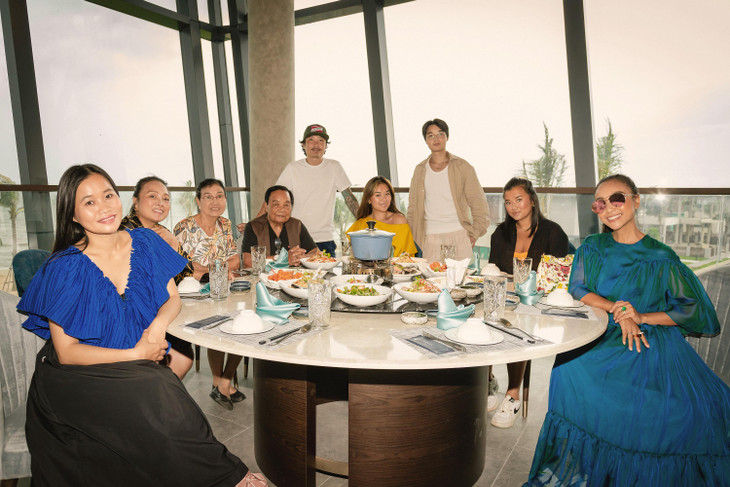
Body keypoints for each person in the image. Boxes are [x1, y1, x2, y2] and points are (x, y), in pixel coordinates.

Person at [17, 164, 265, 486]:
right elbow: (67, 353)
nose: (104, 207)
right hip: (77, 374)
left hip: (130, 358)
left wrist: (157, 327)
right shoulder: (64, 266)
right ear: (73, 215)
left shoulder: (146, 241)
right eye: (89, 202)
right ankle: (228, 477)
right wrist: (137, 354)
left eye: (108, 195)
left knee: (162, 387)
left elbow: (172, 298)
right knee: (158, 386)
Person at [525, 174, 730, 486]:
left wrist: (641, 316)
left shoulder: (661, 256)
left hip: (648, 340)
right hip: (600, 333)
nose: (609, 208)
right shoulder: (592, 247)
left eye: (617, 199)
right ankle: (597, 466)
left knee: (663, 405)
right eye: (600, 203)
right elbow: (578, 288)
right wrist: (618, 311)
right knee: (567, 370)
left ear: (637, 200)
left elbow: (692, 309)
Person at [488, 177, 569, 428]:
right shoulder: (500, 233)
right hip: (506, 298)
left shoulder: (553, 232)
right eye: (508, 202)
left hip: (537, 302)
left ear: (532, 200)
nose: (513, 207)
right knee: (482, 316)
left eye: (518, 200)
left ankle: (513, 396)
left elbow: (557, 277)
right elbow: (493, 270)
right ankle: (488, 381)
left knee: (517, 327)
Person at [174, 178, 244, 410]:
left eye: (219, 196)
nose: (215, 201)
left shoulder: (225, 224)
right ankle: (219, 383)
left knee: (242, 326)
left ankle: (223, 381)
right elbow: (184, 268)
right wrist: (216, 270)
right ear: (198, 200)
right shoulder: (184, 227)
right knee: (218, 329)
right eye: (208, 197)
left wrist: (209, 270)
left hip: (222, 289)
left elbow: (235, 260)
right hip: (192, 296)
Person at [120, 175, 197, 380]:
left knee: (184, 351)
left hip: (160, 306)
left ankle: (160, 393)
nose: (160, 203)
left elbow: (187, 272)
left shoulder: (162, 231)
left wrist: (174, 244)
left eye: (165, 198)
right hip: (131, 312)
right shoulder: (124, 231)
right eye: (152, 196)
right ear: (135, 202)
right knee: (182, 354)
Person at [257, 124, 359, 256]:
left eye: (321, 140)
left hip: (324, 239)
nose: (316, 145)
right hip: (295, 237)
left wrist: (365, 221)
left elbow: (349, 198)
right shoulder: (292, 168)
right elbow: (273, 198)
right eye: (311, 140)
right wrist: (254, 225)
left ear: (325, 145)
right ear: (304, 145)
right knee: (290, 270)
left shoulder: (334, 167)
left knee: (326, 270)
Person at [407, 118, 489, 261]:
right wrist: (414, 237)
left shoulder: (463, 167)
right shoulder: (420, 170)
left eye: (440, 134)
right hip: (430, 237)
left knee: (460, 276)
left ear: (447, 137)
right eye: (430, 135)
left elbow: (478, 203)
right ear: (426, 140)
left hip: (459, 234)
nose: (436, 138)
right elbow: (413, 208)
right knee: (431, 275)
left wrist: (475, 233)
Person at [242, 185, 318, 267]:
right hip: (265, 274)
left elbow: (315, 252)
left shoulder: (296, 225)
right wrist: (283, 259)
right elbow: (248, 261)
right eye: (276, 204)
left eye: (286, 205)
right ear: (266, 207)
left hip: (294, 274)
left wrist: (301, 258)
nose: (282, 209)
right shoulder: (254, 227)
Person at [346, 176, 417, 257]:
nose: (384, 199)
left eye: (387, 194)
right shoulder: (360, 225)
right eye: (378, 195)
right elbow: (353, 257)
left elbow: (408, 257)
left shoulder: (399, 220)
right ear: (369, 199)